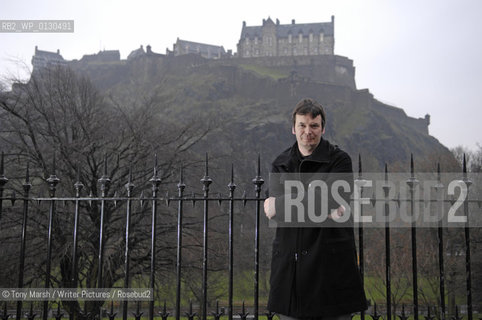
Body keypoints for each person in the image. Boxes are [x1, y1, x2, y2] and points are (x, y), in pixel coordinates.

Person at [264, 98, 367, 320]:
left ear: (322, 128)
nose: (307, 131)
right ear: (293, 128)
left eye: (314, 126)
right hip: (291, 274)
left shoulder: (340, 160)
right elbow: (274, 214)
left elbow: (327, 200)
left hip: (331, 272)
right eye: (302, 125)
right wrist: (317, 201)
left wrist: (281, 204)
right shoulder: (280, 163)